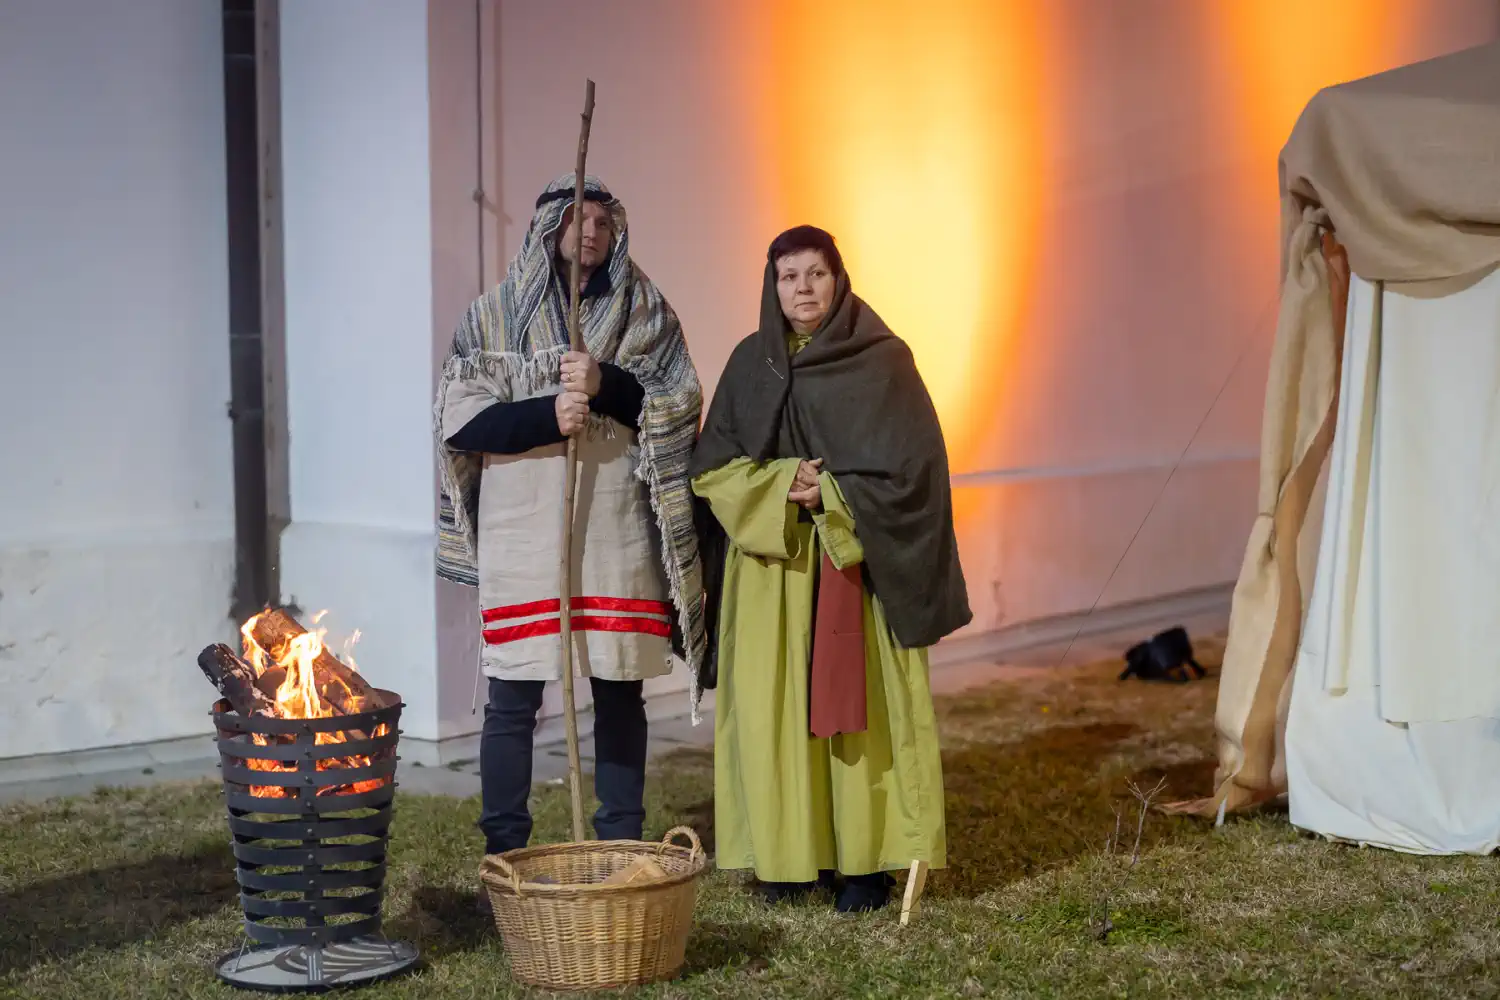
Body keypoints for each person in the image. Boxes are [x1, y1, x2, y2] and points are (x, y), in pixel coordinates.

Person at [691, 225, 970, 913]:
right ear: (772, 285)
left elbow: (916, 471)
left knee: (859, 722)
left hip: (856, 566)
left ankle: (863, 866)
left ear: (838, 279)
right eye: (789, 277)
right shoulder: (749, 365)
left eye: (815, 274)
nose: (803, 289)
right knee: (774, 713)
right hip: (773, 571)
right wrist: (783, 483)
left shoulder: (882, 362)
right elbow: (713, 470)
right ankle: (787, 861)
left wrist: (836, 493)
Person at [435, 174, 706, 869]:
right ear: (547, 227)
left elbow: (678, 402)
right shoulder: (493, 318)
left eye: (603, 222)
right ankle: (504, 852)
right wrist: (545, 413)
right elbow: (460, 422)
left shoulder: (645, 311)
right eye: (576, 218)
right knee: (514, 697)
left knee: (619, 689)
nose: (590, 232)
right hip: (525, 532)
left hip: (615, 530)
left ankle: (620, 843)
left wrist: (607, 385)